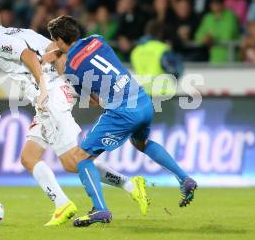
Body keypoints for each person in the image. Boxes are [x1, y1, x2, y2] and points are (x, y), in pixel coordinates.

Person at [0, 0, 149, 226]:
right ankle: (62, 204)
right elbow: (56, 49)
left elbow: (30, 57)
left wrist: (43, 89)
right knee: (28, 158)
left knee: (73, 162)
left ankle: (128, 186)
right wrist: (78, 88)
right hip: (55, 93)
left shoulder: (0, 43)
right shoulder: (21, 31)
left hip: (50, 97)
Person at [46, 15, 197, 227]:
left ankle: (100, 209)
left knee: (81, 157)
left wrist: (59, 66)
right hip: (143, 101)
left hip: (123, 112)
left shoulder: (71, 67)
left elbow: (93, 101)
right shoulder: (97, 39)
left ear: (59, 40)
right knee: (141, 143)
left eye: (54, 40)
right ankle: (185, 179)